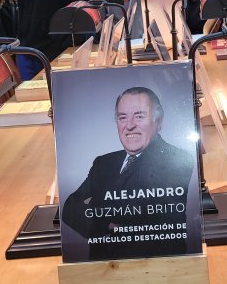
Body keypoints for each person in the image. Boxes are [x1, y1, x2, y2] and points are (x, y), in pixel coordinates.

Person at [62, 86, 196, 261]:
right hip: (101, 271)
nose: (129, 125)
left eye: (139, 116)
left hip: (156, 271)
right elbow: (70, 208)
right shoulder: (103, 163)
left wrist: (95, 213)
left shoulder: (177, 159)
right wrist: (108, 225)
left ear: (159, 120)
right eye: (122, 117)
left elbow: (140, 214)